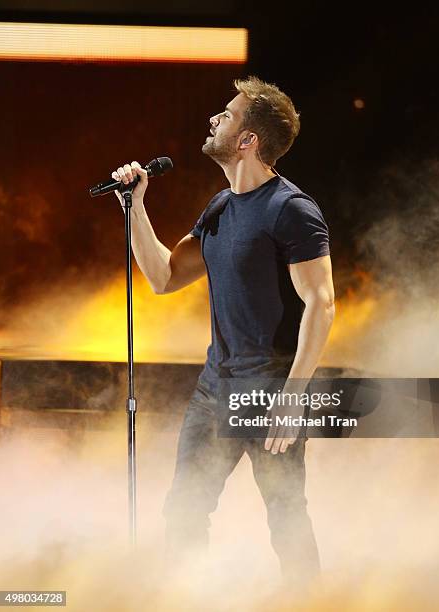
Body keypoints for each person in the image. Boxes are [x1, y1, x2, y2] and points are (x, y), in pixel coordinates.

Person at [111, 76, 335, 591]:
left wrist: (293, 398)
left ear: (248, 139)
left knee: (284, 514)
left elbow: (321, 304)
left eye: (227, 114)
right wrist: (135, 207)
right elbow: (163, 277)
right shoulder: (220, 207)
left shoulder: (292, 210)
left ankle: (312, 603)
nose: (214, 119)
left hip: (268, 389)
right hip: (216, 386)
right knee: (184, 510)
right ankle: (184, 599)